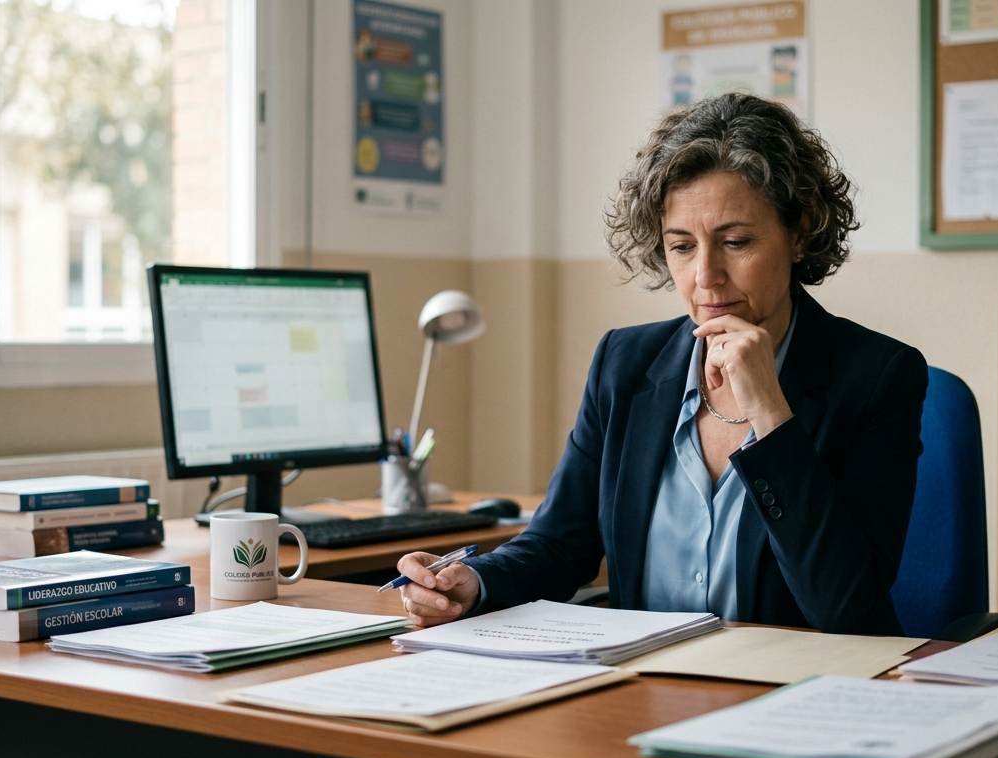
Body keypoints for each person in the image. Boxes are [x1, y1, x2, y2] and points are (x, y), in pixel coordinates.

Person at [395, 93, 928, 636]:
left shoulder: (879, 377)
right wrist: (475, 582)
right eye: (681, 247)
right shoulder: (624, 364)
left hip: (797, 694)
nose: (705, 276)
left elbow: (846, 606)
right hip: (642, 688)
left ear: (800, 232)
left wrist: (770, 413)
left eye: (737, 241)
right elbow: (560, 543)